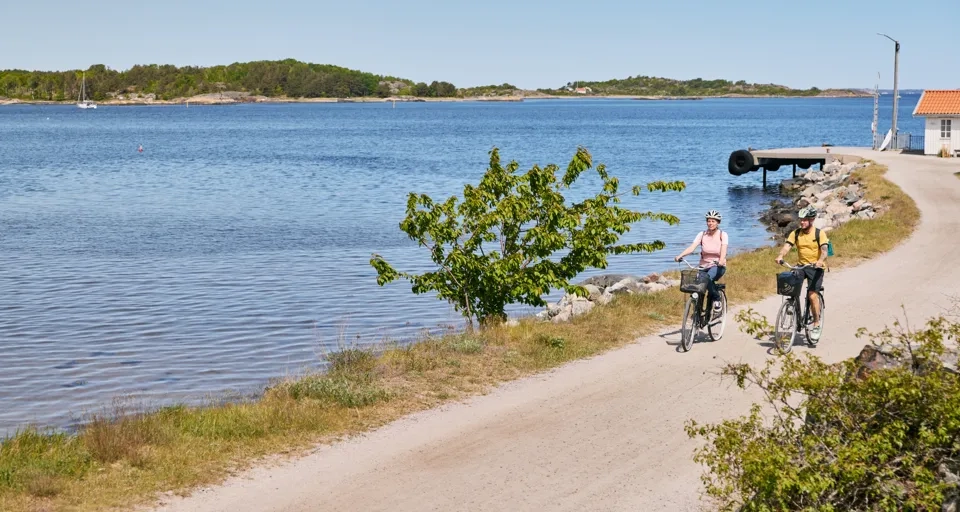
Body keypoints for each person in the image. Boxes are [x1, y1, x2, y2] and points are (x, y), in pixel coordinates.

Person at [775, 206, 829, 340]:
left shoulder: (819, 234)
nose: (802, 222)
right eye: (801, 220)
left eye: (805, 220)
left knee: (812, 296)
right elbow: (787, 246)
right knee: (790, 286)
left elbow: (824, 250)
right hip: (801, 266)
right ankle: (792, 305)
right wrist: (781, 256)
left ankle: (816, 323)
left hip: (815, 267)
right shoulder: (796, 233)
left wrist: (820, 261)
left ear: (812, 220)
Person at [674, 210, 728, 315]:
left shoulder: (722, 235)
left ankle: (717, 299)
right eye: (709, 221)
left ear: (718, 223)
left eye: (713, 221)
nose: (710, 223)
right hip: (703, 266)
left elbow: (724, 249)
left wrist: (721, 260)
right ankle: (698, 314)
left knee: (707, 279)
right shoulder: (702, 234)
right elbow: (692, 248)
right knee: (698, 287)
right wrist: (680, 256)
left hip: (717, 266)